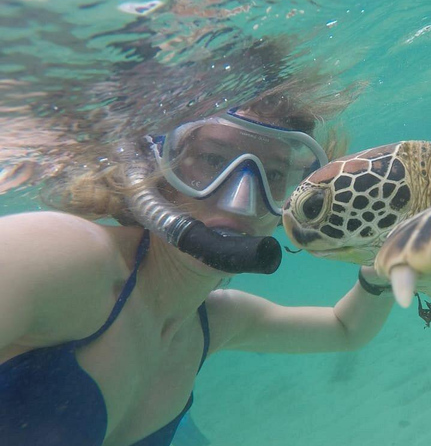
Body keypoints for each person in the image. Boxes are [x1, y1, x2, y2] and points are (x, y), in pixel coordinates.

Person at [0, 85, 394, 446]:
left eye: (273, 174)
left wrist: (386, 265)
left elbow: (345, 329)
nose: (241, 202)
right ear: (155, 168)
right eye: (211, 159)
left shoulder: (212, 322)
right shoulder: (66, 254)